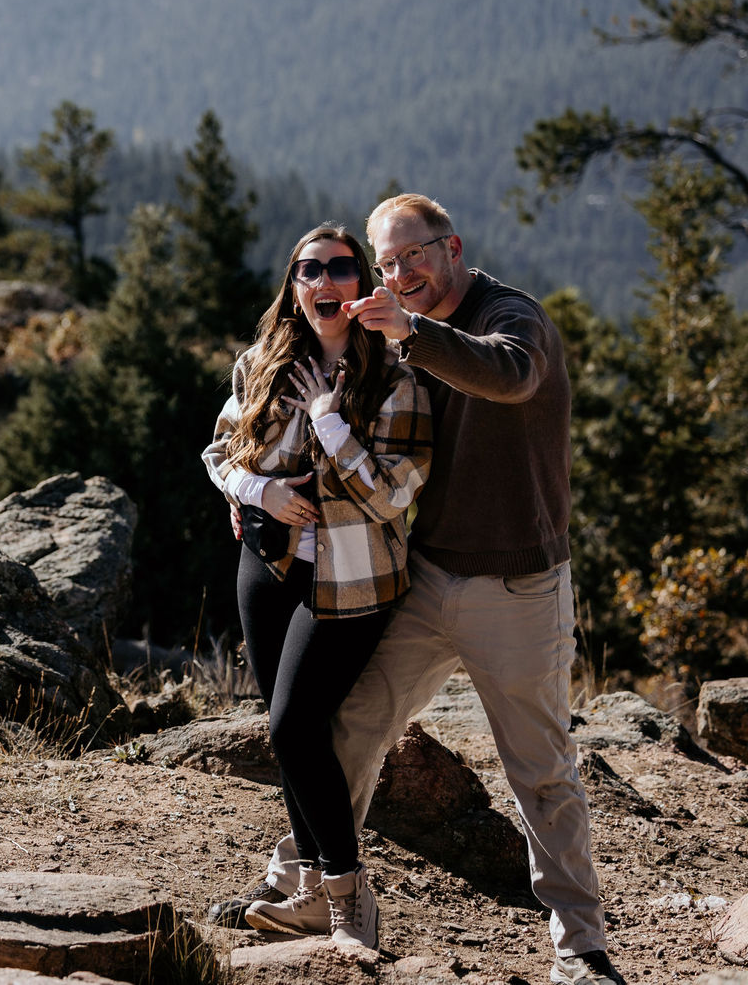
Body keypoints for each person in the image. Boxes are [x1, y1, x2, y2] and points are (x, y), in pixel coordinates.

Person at [249, 194, 622, 983]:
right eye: (385, 263)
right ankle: (312, 883)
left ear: (451, 248)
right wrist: (252, 491)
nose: (399, 274)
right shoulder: (384, 338)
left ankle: (580, 946)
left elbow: (511, 377)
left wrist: (412, 334)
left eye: (412, 255)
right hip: (426, 574)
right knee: (348, 726)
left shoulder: (510, 319)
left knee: (540, 769)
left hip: (519, 585)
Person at [201, 225, 432, 951]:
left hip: (353, 579)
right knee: (290, 735)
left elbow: (393, 496)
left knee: (295, 728)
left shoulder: (396, 377)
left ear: (364, 286)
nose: (324, 280)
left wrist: (330, 423)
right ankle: (306, 890)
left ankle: (346, 897)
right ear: (294, 286)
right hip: (267, 568)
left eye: (340, 268)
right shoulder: (262, 361)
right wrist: (255, 491)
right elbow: (218, 450)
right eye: (310, 270)